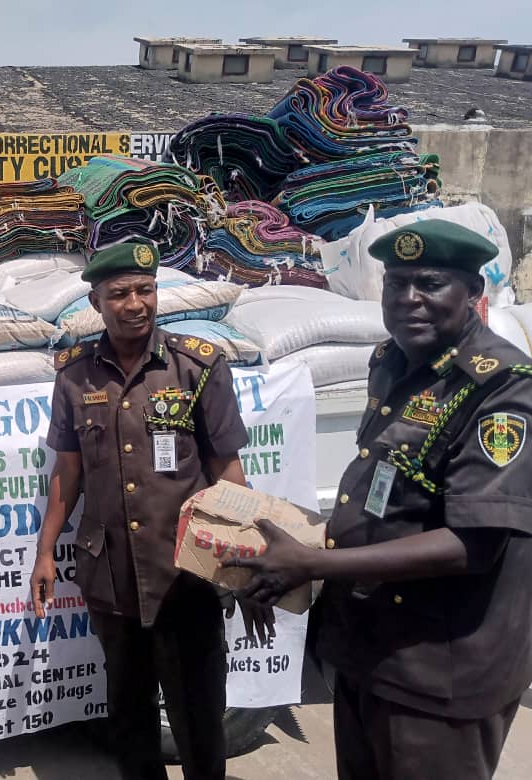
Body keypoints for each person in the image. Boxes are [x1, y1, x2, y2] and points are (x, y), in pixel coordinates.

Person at [227, 220, 532, 780]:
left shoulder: (501, 388)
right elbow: (382, 498)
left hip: (439, 670)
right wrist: (287, 554)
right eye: (396, 283)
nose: (409, 299)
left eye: (430, 283)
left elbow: (474, 544)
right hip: (369, 646)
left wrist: (312, 564)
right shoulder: (391, 361)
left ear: (472, 291)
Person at [29, 242, 265, 780]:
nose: (135, 304)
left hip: (187, 575)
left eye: (145, 290)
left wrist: (250, 563)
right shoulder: (75, 376)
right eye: (119, 294)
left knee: (199, 720)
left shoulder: (196, 366)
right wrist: (45, 552)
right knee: (131, 719)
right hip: (111, 578)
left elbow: (228, 472)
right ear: (96, 302)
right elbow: (68, 472)